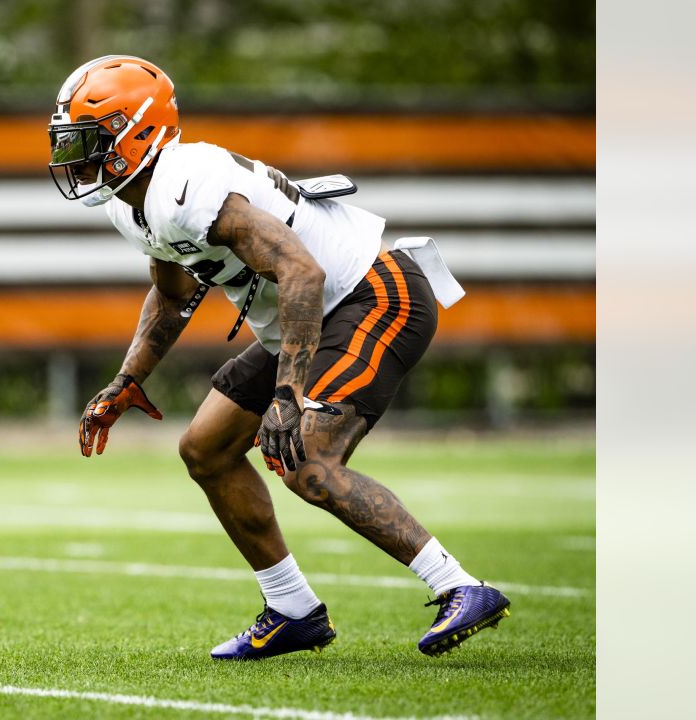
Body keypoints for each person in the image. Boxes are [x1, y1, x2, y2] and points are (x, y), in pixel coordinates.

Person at [47, 55, 511, 660]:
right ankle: (293, 609)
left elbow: (302, 271)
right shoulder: (132, 203)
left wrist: (288, 396)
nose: (74, 159)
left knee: (304, 455)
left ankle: (460, 586)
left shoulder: (186, 184)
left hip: (372, 295)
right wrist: (126, 379)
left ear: (136, 132)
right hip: (308, 317)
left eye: (87, 142)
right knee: (206, 449)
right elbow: (173, 292)